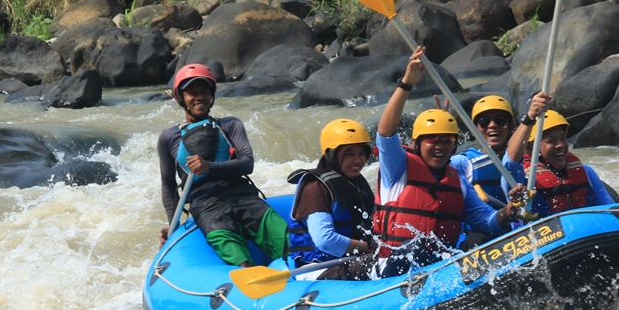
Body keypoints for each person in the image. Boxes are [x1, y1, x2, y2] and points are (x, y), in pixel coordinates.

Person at [374, 46, 525, 277]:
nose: (440, 146)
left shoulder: (458, 182)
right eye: (432, 140)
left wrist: (510, 209)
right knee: (416, 249)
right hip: (392, 272)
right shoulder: (397, 168)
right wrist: (407, 83)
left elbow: (487, 220)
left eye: (447, 141)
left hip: (442, 273)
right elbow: (385, 133)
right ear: (416, 143)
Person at [157, 64, 288, 267]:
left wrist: (209, 167)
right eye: (192, 92)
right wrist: (173, 225)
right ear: (180, 98)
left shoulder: (230, 125)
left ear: (212, 95)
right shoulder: (168, 137)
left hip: (244, 198)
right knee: (240, 263)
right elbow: (169, 185)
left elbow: (247, 163)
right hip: (206, 207)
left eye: (204, 91)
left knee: (293, 245)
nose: (199, 97)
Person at [285, 118, 377, 280]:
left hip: (350, 260)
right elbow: (325, 240)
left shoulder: (356, 183)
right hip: (317, 269)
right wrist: (369, 247)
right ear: (331, 155)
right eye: (349, 154)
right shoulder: (315, 188)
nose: (358, 160)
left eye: (361, 153)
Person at [503, 91, 610, 217]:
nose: (560, 145)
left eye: (563, 138)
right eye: (551, 141)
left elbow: (610, 208)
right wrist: (530, 117)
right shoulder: (520, 178)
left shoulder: (587, 172)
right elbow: (510, 160)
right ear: (530, 148)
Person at [450, 95, 516, 209]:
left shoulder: (525, 161)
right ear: (474, 129)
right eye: (484, 121)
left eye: (500, 120)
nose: (492, 125)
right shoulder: (464, 163)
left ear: (510, 127)